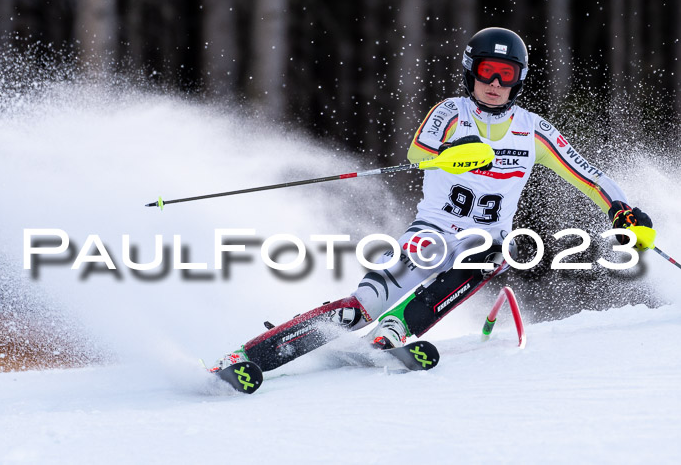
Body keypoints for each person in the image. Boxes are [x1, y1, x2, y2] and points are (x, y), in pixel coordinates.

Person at [212, 27, 654, 372]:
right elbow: (417, 154)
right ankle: (246, 356)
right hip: (432, 235)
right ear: (471, 72)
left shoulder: (533, 128)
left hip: (482, 242)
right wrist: (456, 155)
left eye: (507, 75)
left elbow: (588, 175)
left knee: (496, 252)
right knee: (363, 303)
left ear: (519, 80)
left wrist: (621, 210)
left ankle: (395, 331)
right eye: (487, 72)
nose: (496, 84)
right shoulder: (450, 112)